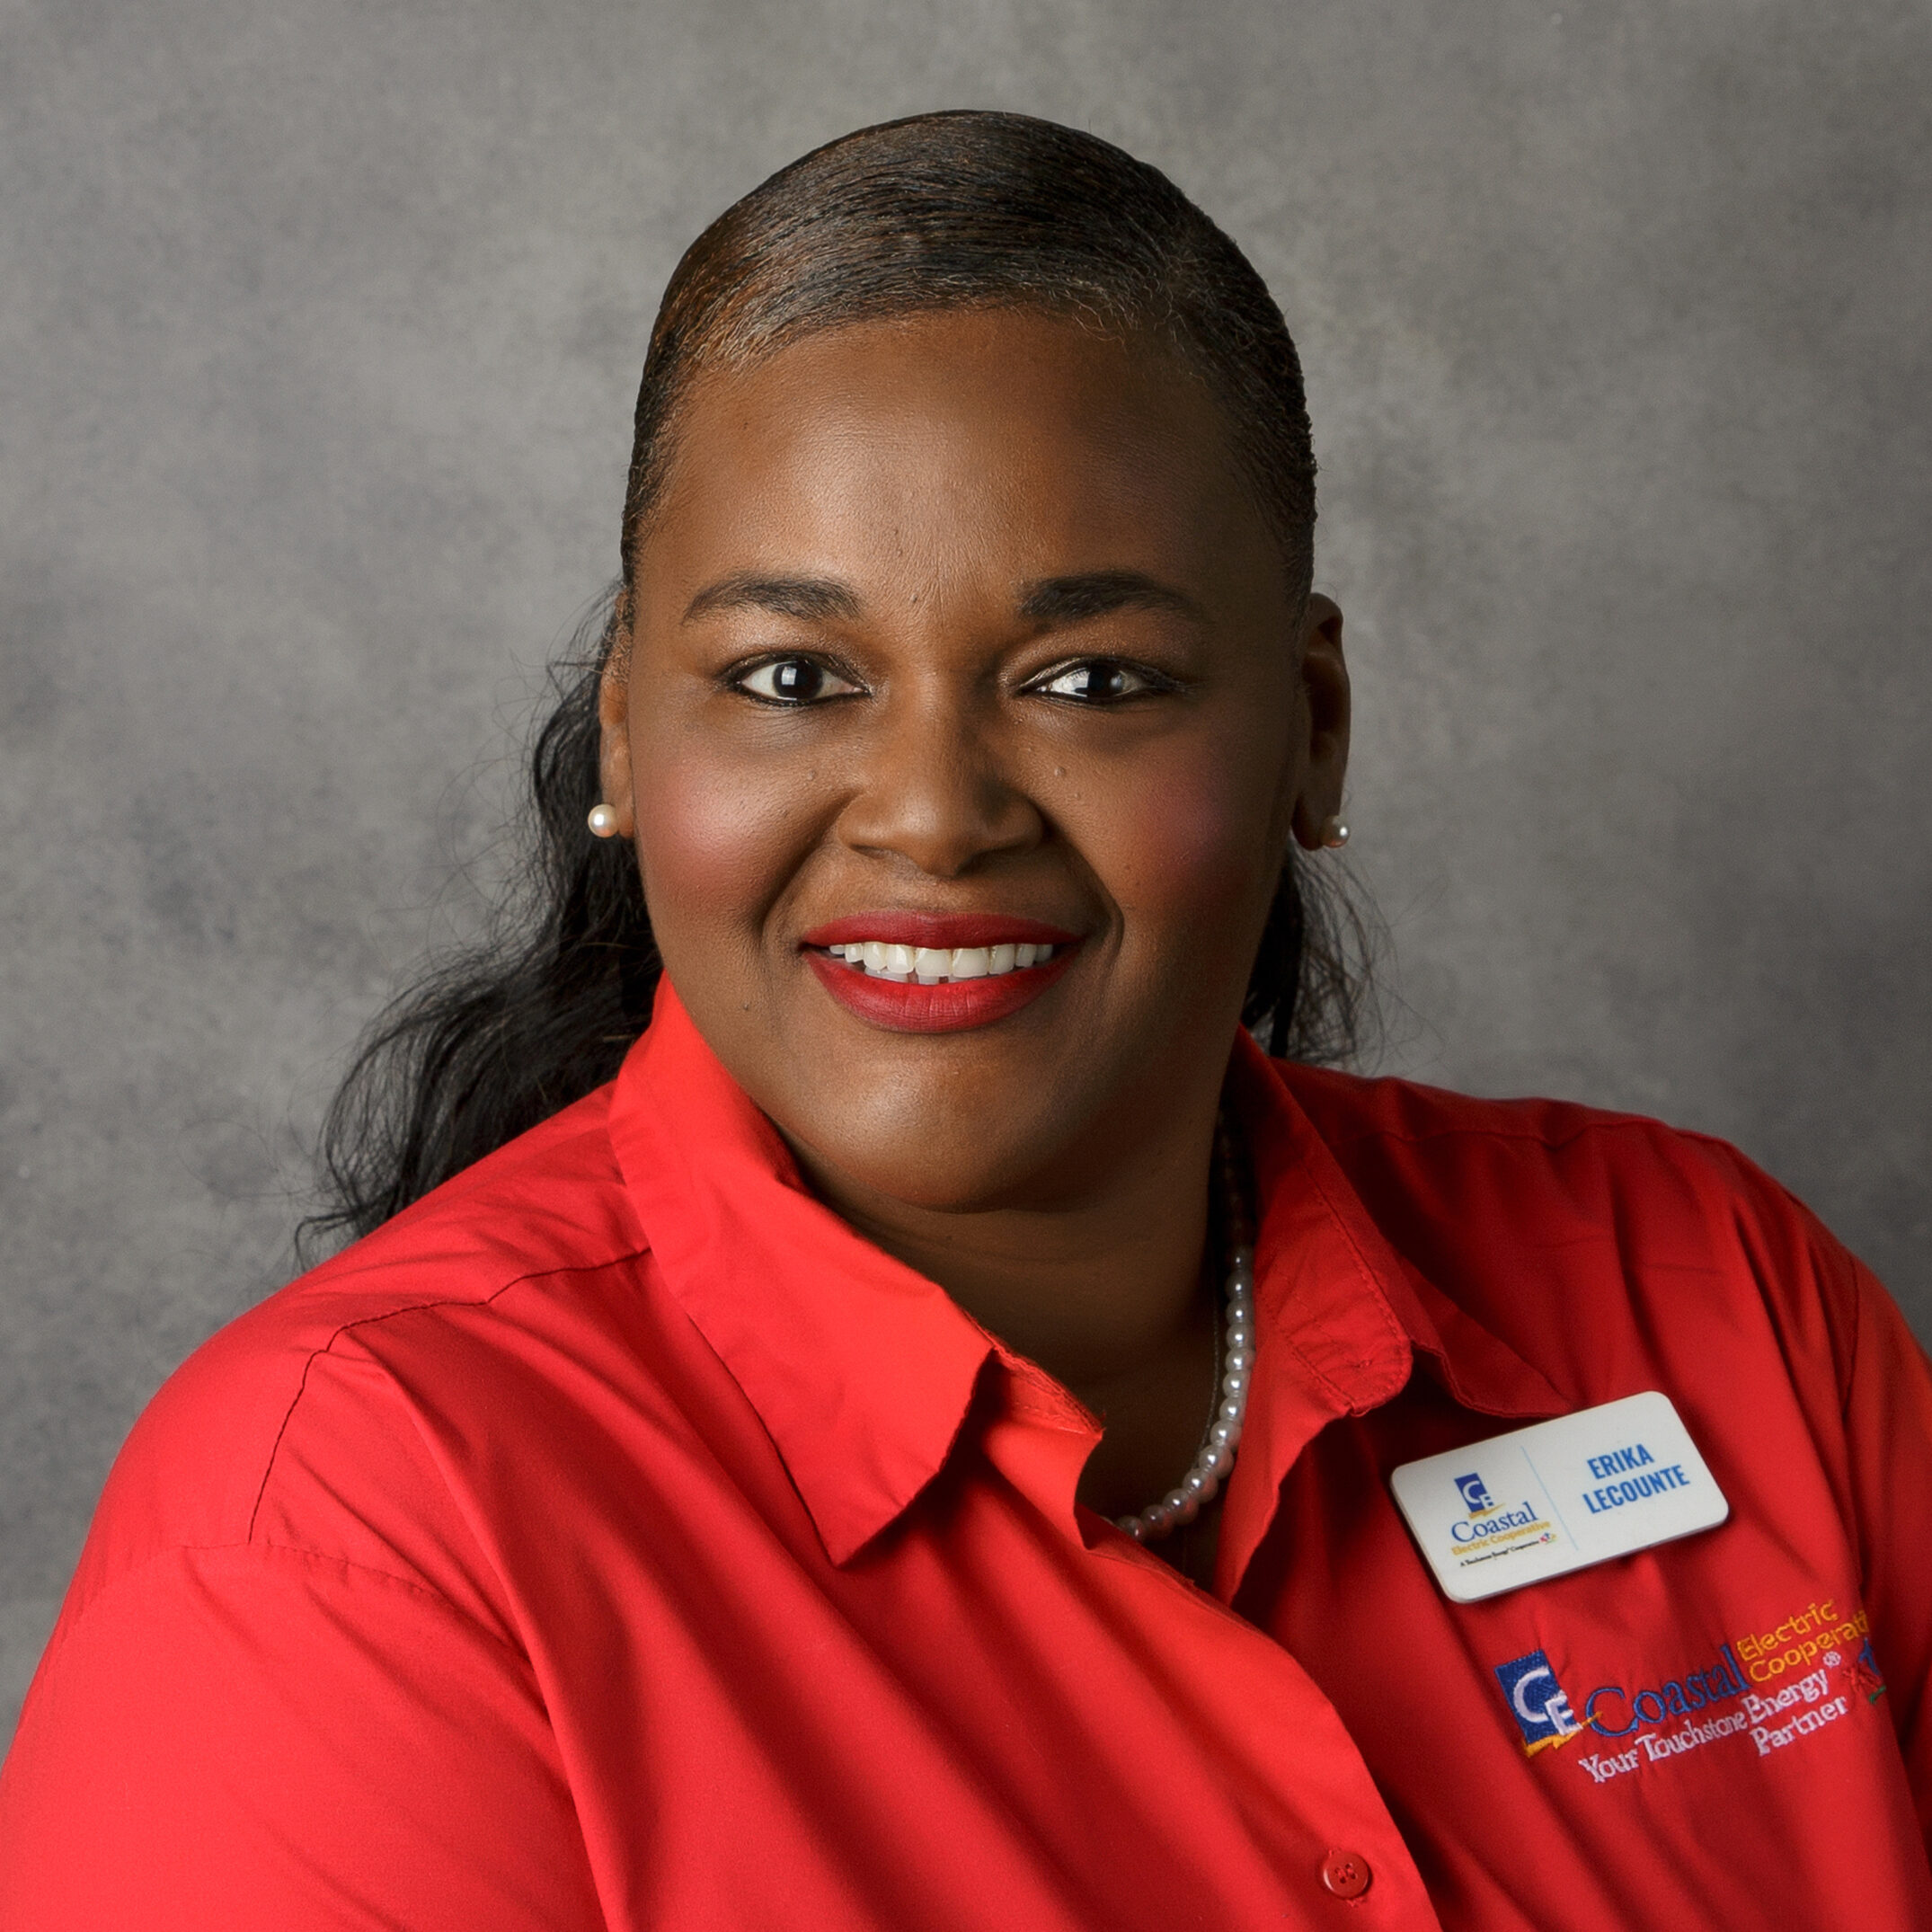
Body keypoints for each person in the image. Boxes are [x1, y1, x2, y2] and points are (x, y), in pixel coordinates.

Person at [0, 110, 1927, 1932]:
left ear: (1309, 729)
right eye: (788, 672)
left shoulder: (1711, 1296)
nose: (931, 810)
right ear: (622, 735)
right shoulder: (349, 1533)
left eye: (1092, 676)